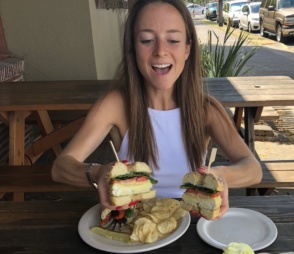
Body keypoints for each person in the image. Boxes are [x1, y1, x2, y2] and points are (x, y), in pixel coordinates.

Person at [51, 0, 262, 219]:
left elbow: (253, 169)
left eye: (173, 40)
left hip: (193, 223)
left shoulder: (205, 109)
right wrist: (96, 172)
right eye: (147, 40)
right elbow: (60, 167)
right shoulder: (114, 104)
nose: (160, 51)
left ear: (188, 48)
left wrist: (221, 176)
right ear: (132, 47)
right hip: (134, 223)